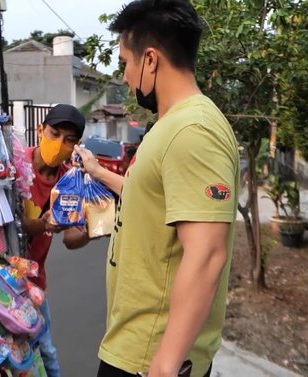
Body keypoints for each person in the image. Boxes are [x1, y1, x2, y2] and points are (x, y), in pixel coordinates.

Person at [74, 1, 239, 376]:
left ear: (150, 59)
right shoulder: (171, 126)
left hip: (151, 358)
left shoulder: (193, 130)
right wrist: (99, 172)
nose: (127, 77)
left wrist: (165, 364)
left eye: (125, 63)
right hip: (134, 346)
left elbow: (207, 253)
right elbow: (151, 196)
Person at [21, 104, 92, 377]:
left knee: (46, 349)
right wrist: (43, 225)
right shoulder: (18, 164)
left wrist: (95, 227)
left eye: (69, 140)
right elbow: (14, 225)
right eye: (54, 133)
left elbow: (71, 239)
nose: (59, 143)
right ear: (40, 130)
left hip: (35, 282)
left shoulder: (70, 181)